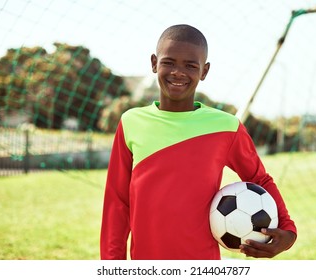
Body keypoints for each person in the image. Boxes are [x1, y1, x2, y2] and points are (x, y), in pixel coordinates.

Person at [100, 24, 297, 260]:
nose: (178, 72)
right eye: (169, 62)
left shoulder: (226, 126)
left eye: (191, 66)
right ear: (154, 63)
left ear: (204, 71)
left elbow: (259, 178)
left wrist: (288, 229)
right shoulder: (131, 121)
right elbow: (117, 201)